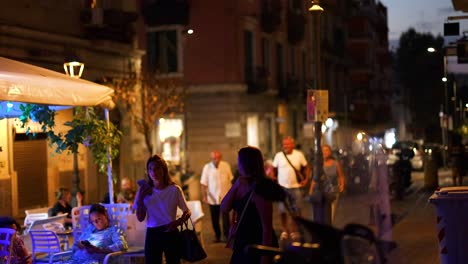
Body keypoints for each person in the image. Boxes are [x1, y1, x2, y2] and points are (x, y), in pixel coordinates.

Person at [221, 146, 279, 264]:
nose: (237, 165)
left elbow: (266, 227)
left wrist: (265, 257)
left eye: (239, 161)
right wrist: (236, 184)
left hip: (257, 244)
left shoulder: (261, 189)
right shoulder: (240, 184)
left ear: (246, 164)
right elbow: (224, 208)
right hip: (242, 241)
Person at [133, 154, 191, 264]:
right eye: (150, 169)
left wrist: (178, 222)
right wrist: (141, 198)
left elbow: (187, 211)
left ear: (163, 170)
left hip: (170, 230)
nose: (153, 172)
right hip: (153, 232)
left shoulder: (174, 189)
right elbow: (140, 218)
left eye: (157, 168)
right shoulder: (144, 191)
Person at [272, 137, 310, 242]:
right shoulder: (278, 156)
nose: (286, 146)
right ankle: (285, 230)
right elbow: (273, 169)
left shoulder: (299, 155)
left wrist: (306, 179)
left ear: (293, 145)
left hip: (296, 187)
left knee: (296, 210)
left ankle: (294, 230)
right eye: (284, 144)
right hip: (282, 188)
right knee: (282, 211)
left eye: (288, 144)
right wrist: (273, 178)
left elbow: (307, 167)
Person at [200, 150, 234, 243]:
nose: (216, 160)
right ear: (211, 159)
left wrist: (232, 195)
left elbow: (230, 180)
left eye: (218, 158)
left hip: (225, 196)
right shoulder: (207, 167)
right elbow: (203, 183)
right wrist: (204, 196)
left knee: (226, 218)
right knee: (215, 219)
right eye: (214, 158)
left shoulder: (226, 165)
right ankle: (217, 236)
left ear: (221, 158)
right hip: (213, 198)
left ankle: (227, 236)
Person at [309, 144, 345, 224]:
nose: (325, 152)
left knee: (331, 214)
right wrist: (311, 190)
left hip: (332, 191)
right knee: (320, 213)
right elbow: (314, 180)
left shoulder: (336, 164)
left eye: (326, 150)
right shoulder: (318, 165)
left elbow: (341, 176)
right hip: (320, 192)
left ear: (330, 152)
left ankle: (329, 230)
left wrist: (342, 185)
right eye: (323, 151)